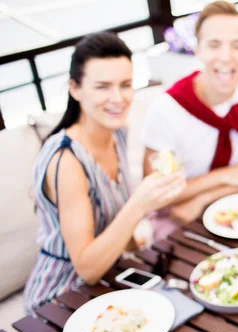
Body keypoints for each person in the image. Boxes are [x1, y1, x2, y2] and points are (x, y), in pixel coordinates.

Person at [24, 32, 186, 315]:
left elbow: (112, 220)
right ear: (75, 89)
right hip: (61, 297)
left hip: (109, 279)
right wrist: (140, 204)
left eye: (125, 85)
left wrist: (140, 247)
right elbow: (86, 269)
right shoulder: (66, 161)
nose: (118, 98)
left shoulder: (118, 132)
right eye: (102, 87)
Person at [142, 1, 238, 240]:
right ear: (197, 48)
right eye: (214, 45)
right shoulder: (166, 110)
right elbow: (156, 194)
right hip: (182, 220)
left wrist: (202, 198)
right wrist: (228, 174)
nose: (226, 57)